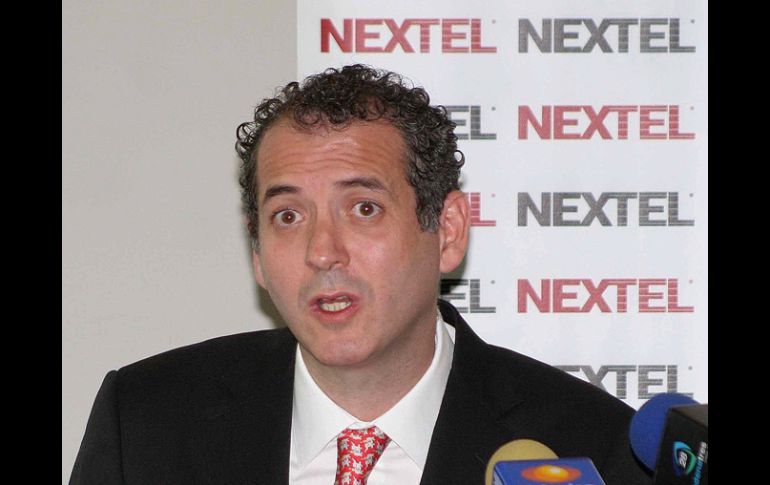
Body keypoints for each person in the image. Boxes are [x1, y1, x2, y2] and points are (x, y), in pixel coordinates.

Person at [69, 64, 651, 485]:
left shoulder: (591, 446)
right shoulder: (146, 425)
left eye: (364, 208)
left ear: (447, 231)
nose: (323, 252)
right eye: (288, 216)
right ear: (257, 254)